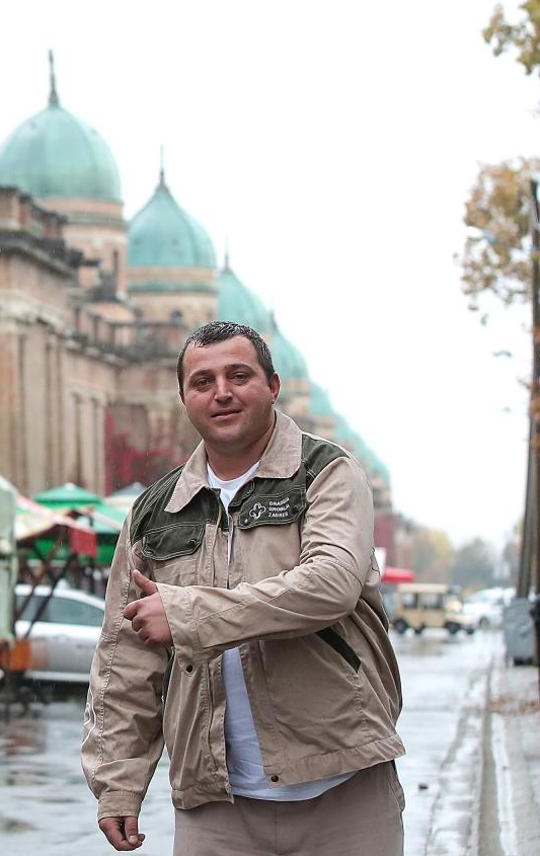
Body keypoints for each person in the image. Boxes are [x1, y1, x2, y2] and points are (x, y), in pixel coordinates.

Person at [82, 321, 405, 855]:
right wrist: (118, 781)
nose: (222, 392)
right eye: (202, 381)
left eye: (238, 376)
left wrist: (187, 614)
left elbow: (330, 585)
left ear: (272, 386)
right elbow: (124, 660)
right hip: (214, 803)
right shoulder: (155, 511)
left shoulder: (326, 473)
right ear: (184, 398)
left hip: (343, 789)